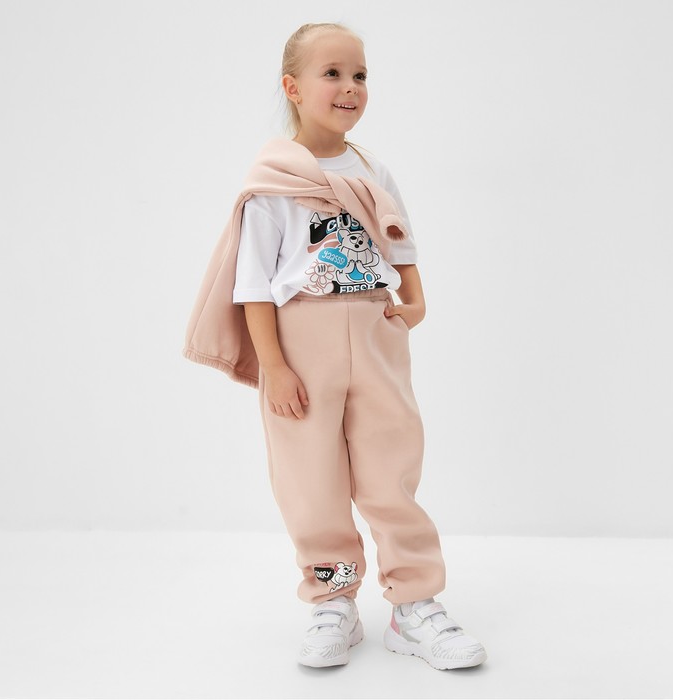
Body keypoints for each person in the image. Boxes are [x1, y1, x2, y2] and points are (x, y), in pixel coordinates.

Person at [183, 21, 487, 671]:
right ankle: (333, 601)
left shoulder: (373, 169)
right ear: (292, 88)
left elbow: (400, 241)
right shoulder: (273, 178)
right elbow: (253, 283)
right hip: (301, 339)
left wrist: (415, 299)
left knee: (390, 467)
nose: (350, 87)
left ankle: (414, 605)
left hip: (376, 329)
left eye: (360, 75)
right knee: (310, 478)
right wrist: (273, 367)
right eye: (332, 74)